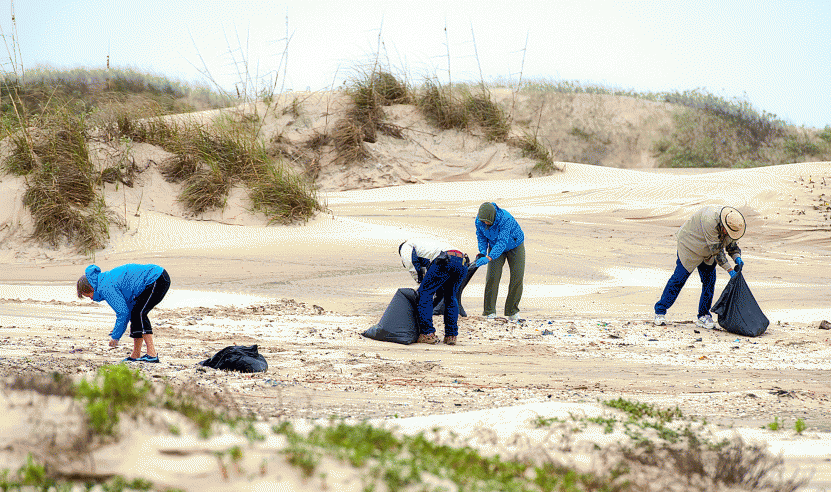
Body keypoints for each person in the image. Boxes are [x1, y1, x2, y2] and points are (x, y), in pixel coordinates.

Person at [654, 206, 745, 329]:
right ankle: (660, 311)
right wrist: (729, 270)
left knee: (709, 282)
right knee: (678, 279)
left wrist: (737, 258)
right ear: (724, 225)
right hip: (690, 246)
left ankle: (703, 315)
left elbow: (731, 246)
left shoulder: (733, 225)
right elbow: (717, 252)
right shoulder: (710, 221)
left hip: (707, 252)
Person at [77, 263, 171, 362]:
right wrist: (117, 330)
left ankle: (152, 354)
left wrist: (115, 337)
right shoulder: (104, 281)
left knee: (139, 313)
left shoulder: (105, 287)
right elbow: (128, 311)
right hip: (155, 278)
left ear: (91, 288)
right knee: (135, 314)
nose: (91, 299)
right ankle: (136, 355)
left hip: (156, 278)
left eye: (88, 295)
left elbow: (122, 313)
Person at [398, 238, 469, 345]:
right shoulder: (427, 244)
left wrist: (419, 281)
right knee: (450, 297)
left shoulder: (406, 246)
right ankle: (451, 335)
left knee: (425, 294)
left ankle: (427, 334)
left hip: (445, 259)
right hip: (462, 262)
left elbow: (411, 264)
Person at [474, 202, 526, 321]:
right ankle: (489, 311)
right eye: (483, 221)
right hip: (494, 245)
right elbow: (481, 237)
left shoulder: (505, 219)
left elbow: (502, 242)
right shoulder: (479, 221)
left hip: (515, 245)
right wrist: (482, 252)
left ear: (492, 218)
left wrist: (489, 257)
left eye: (487, 222)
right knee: (492, 276)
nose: (485, 223)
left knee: (517, 276)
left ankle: (512, 311)